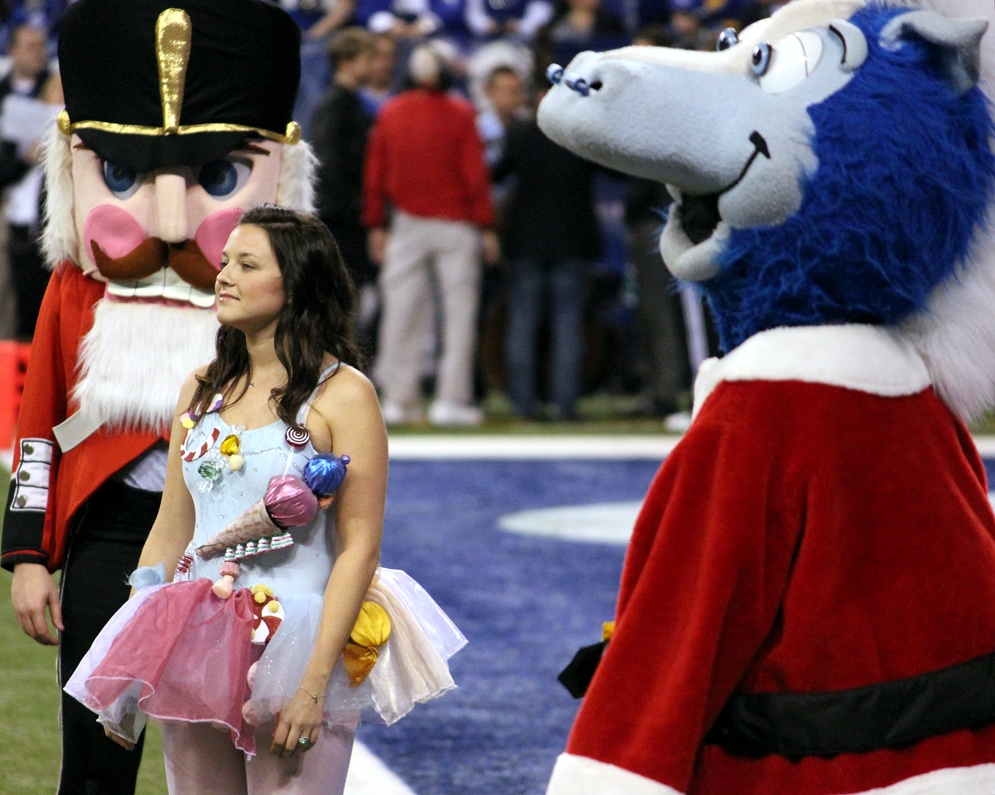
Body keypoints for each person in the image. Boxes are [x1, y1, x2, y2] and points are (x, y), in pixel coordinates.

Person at [1, 2, 315, 793]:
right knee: (99, 750)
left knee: (231, 751)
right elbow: (39, 423)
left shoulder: (282, 289)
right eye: (123, 172)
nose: (171, 219)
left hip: (246, 545)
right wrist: (30, 556)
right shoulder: (78, 286)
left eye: (215, 177)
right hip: (112, 535)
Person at [65, 205, 464, 794]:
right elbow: (170, 530)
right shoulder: (201, 387)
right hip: (195, 636)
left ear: (296, 285)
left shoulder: (346, 395)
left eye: (246, 265)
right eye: (226, 261)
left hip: (299, 642)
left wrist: (311, 684)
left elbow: (360, 550)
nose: (223, 275)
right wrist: (132, 661)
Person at [363, 41, 498, 426]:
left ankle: (398, 399)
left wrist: (376, 225)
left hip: (405, 225)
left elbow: (375, 177)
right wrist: (486, 226)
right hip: (457, 227)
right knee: (458, 316)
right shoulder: (462, 114)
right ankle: (452, 400)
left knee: (400, 314)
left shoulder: (390, 113)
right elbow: (475, 177)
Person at [492, 87, 600, 420]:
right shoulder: (578, 135)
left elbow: (496, 174)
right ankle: (564, 405)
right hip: (571, 243)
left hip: (527, 243)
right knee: (568, 326)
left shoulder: (521, 133)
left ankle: (523, 406)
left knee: (522, 324)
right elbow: (614, 170)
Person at [312, 28, 377, 347]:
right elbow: (329, 163)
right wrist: (351, 206)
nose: (376, 66)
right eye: (368, 59)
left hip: (345, 216)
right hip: (340, 221)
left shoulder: (350, 103)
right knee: (341, 299)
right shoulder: (336, 105)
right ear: (346, 62)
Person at [0, 24, 51, 339]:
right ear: (13, 50)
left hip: (44, 214)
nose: (39, 53)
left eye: (42, 46)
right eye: (31, 46)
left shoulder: (55, 85)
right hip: (10, 211)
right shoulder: (3, 93)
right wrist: (24, 159)